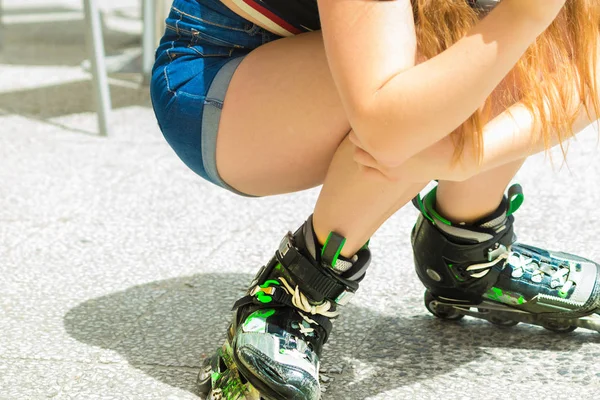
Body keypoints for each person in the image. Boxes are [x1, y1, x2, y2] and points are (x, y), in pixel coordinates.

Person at [149, 0, 600, 398]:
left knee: (510, 38)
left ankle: (466, 248)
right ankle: (292, 295)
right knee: (459, 51)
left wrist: (469, 157)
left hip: (339, 68)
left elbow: (590, 63)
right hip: (220, 80)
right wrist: (529, 11)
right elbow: (389, 128)